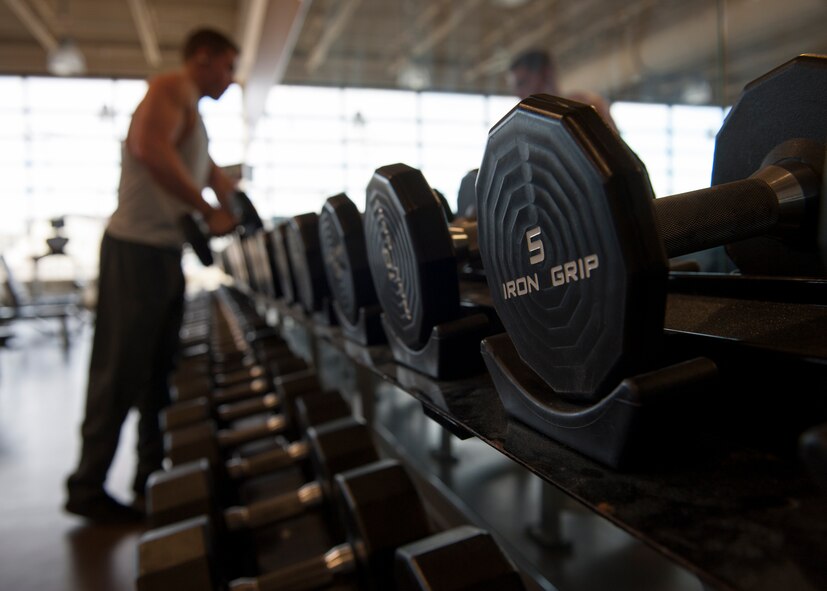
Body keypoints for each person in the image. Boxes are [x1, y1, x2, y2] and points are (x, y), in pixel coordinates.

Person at [65, 28, 241, 523]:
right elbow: (147, 147)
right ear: (202, 59)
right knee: (120, 370)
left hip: (164, 255)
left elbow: (213, 174)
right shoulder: (170, 88)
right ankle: (87, 486)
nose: (230, 79)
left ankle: (149, 477)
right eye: (227, 67)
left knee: (159, 370)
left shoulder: (194, 114)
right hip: (134, 251)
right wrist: (207, 210)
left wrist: (239, 208)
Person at [507, 49, 617, 130]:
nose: (518, 93)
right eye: (515, 88)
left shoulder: (585, 105)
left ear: (546, 73)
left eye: (522, 83)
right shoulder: (528, 125)